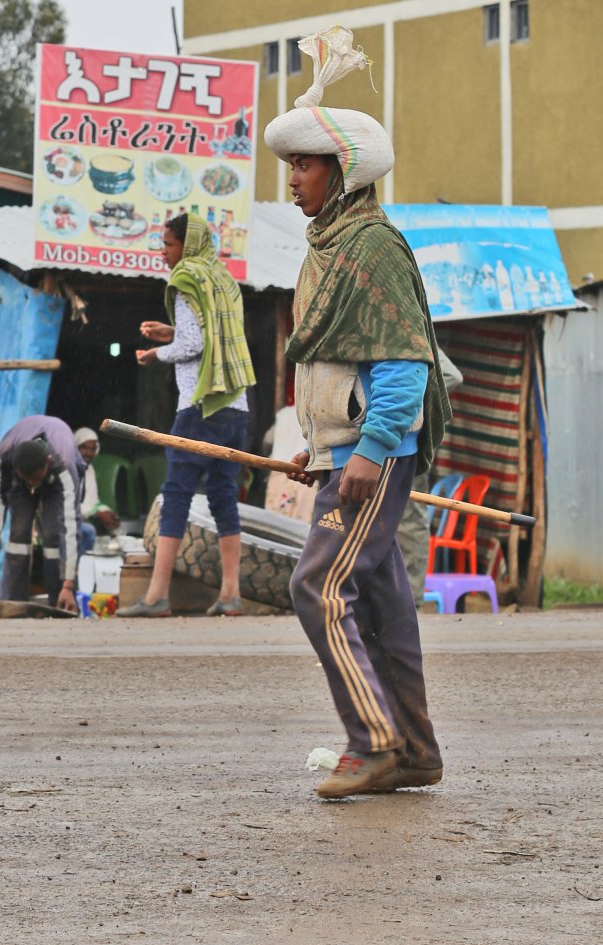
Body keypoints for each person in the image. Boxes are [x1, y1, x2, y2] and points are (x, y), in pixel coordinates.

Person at [264, 79, 452, 799]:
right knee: (380, 599)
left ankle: (373, 741)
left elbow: (404, 359)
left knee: (317, 585)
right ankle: (414, 748)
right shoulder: (328, 247)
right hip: (344, 458)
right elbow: (335, 365)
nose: (292, 181)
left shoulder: (371, 246)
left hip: (373, 459)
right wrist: (320, 450)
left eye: (305, 166)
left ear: (341, 172)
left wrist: (370, 448)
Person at [117, 212, 256, 618]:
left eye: (168, 245)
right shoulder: (223, 279)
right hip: (236, 406)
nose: (163, 253)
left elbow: (193, 346)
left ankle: (157, 595)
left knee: (175, 494)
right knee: (223, 495)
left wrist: (155, 352)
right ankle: (230, 594)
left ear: (186, 245)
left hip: (200, 405)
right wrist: (171, 332)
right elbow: (210, 336)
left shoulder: (186, 279)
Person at [0, 415, 85, 613]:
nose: (32, 485)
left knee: (54, 534)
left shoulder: (63, 466)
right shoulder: (2, 456)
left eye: (35, 479)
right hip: (17, 481)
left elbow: (71, 525)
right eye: (27, 479)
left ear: (47, 462)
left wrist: (69, 585)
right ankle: (13, 604)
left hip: (55, 481)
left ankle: (61, 601)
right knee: (18, 533)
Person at [397, 348, 464, 608]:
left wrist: (408, 406)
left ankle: (409, 601)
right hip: (390, 439)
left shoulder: (412, 327)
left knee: (408, 519)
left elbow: (451, 376)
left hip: (404, 441)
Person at [74, 427, 121, 555]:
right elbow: (67, 506)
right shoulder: (68, 469)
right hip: (64, 521)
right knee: (89, 531)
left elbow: (92, 501)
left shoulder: (89, 470)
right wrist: (97, 513)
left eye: (92, 449)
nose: (88, 453)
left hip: (80, 520)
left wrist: (106, 511)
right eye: (84, 447)